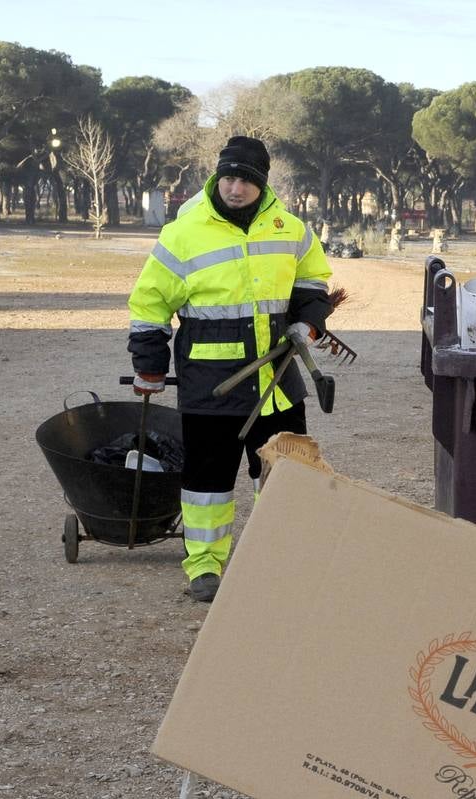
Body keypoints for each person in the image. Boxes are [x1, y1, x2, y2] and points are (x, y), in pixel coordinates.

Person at [127, 136, 333, 603]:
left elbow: (313, 279)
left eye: (246, 180)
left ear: (263, 184)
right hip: (211, 388)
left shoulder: (290, 227)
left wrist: (308, 321)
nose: (235, 188)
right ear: (217, 176)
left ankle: (277, 560)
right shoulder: (183, 233)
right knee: (208, 484)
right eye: (228, 177)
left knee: (285, 476)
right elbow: (149, 304)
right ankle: (204, 567)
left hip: (278, 382)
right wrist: (150, 365)